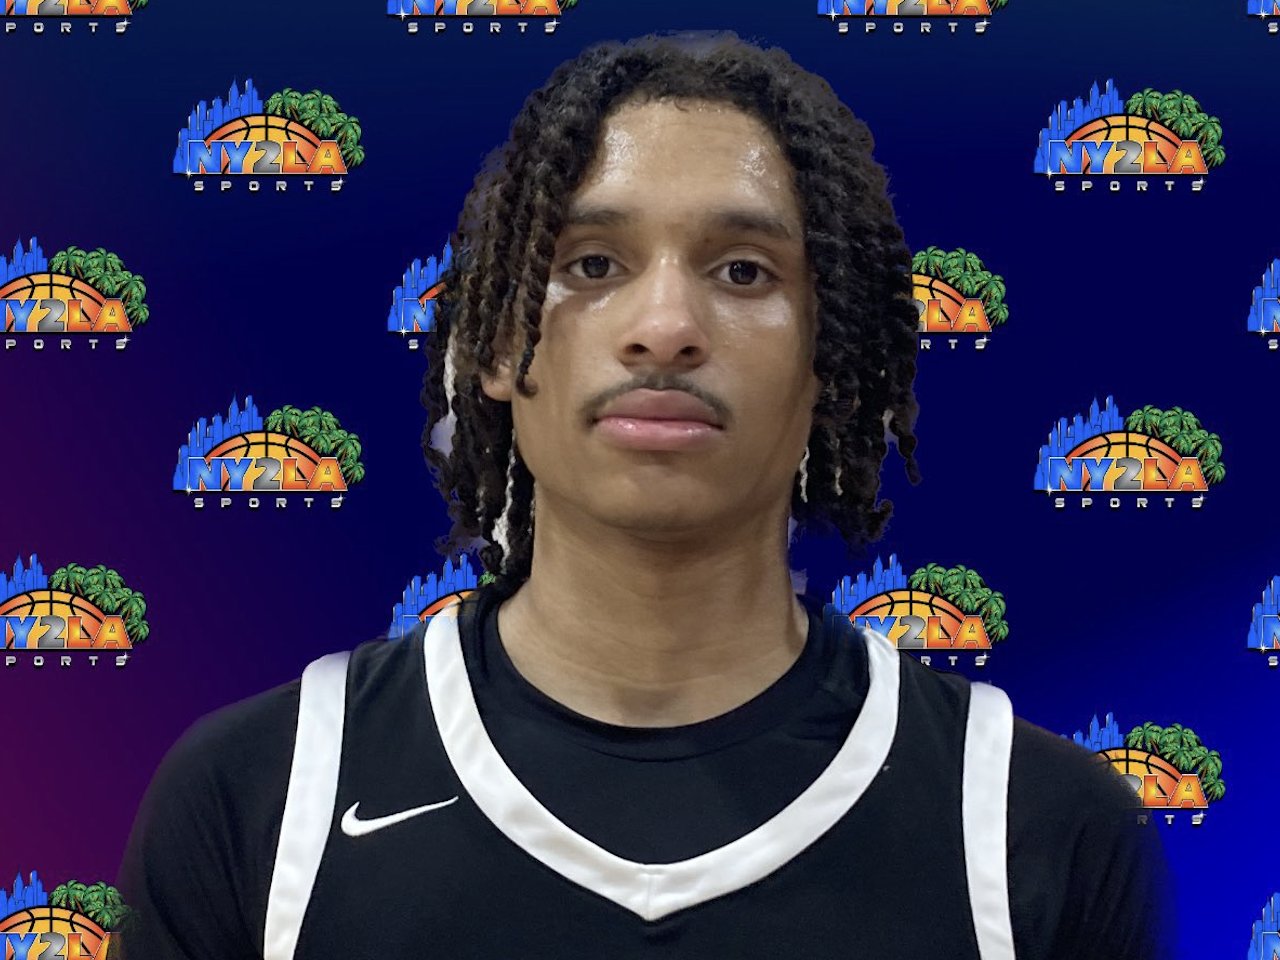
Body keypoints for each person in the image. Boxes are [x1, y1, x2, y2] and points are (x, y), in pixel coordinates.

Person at [119, 32, 1176, 960]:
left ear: (831, 360)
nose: (664, 327)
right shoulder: (265, 795)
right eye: (591, 264)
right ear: (498, 344)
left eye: (743, 272)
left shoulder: (1030, 823)